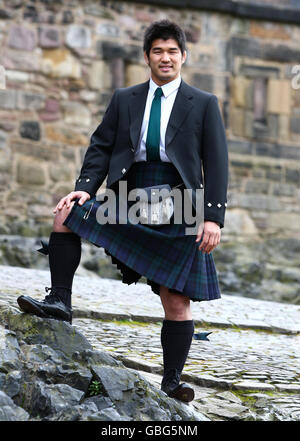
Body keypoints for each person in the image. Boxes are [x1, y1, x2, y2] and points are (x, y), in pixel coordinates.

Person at [17, 20, 228, 403]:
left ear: (184, 57)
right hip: (129, 192)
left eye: (172, 51)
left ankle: (171, 381)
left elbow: (216, 162)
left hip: (180, 200)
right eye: (158, 51)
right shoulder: (125, 98)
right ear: (146, 56)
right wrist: (83, 191)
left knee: (175, 297)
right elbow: (100, 147)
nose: (166, 58)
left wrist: (212, 217)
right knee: (65, 215)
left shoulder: (204, 103)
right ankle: (60, 302)